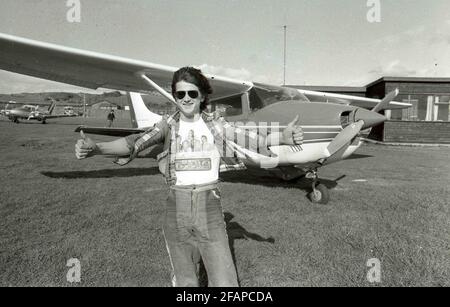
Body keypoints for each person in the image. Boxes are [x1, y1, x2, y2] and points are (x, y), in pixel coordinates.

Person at [75, 66, 303, 287]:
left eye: (191, 93)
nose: (185, 98)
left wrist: (282, 137)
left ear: (202, 95)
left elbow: (250, 138)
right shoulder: (167, 125)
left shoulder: (215, 124)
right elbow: (133, 143)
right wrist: (96, 149)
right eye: (179, 93)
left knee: (225, 282)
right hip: (176, 206)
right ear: (174, 95)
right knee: (186, 281)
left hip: (209, 206)